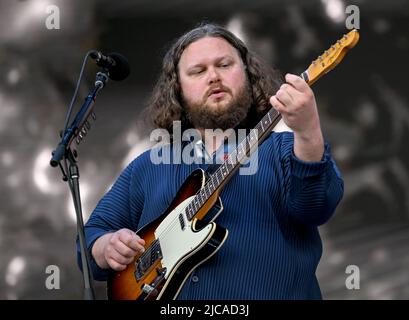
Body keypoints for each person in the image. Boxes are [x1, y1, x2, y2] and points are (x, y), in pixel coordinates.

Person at [77, 22, 344, 299]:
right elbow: (89, 240)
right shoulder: (147, 167)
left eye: (225, 65)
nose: (214, 77)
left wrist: (309, 130)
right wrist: (105, 246)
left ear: (248, 74)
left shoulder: (288, 150)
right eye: (198, 71)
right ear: (177, 89)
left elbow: (317, 208)